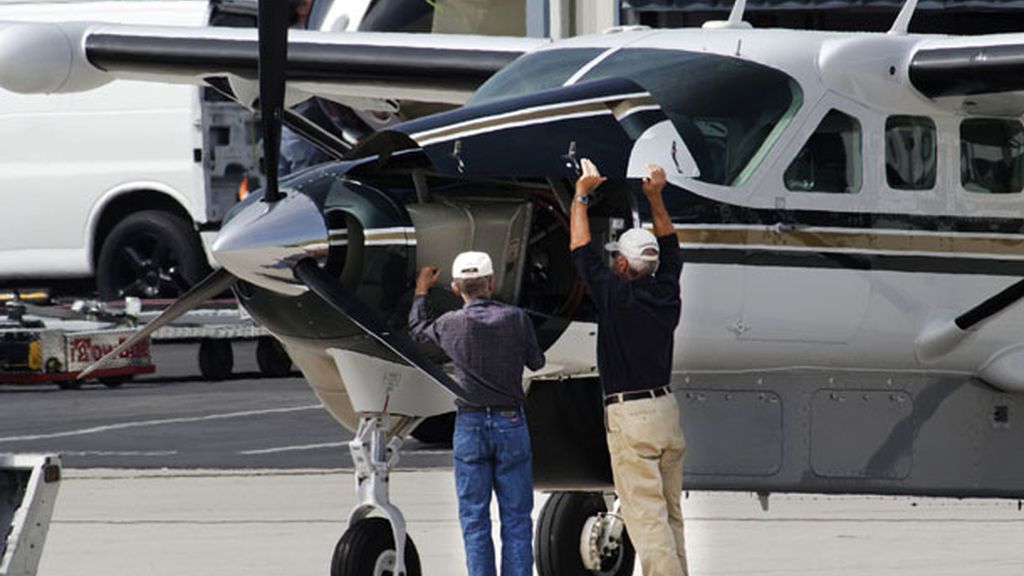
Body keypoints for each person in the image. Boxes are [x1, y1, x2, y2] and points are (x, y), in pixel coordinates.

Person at [570, 160, 688, 576]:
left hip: (632, 417)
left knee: (647, 521)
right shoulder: (667, 291)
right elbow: (670, 245)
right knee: (671, 518)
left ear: (622, 265)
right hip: (665, 412)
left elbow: (581, 252)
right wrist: (655, 196)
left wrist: (581, 196)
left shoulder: (617, 299)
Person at [408, 251, 545, 576]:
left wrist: (422, 289)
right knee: (516, 518)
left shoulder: (449, 324)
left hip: (469, 425)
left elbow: (416, 328)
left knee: (474, 518)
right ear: (491, 283)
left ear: (456, 288)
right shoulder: (515, 318)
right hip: (510, 422)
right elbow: (536, 362)